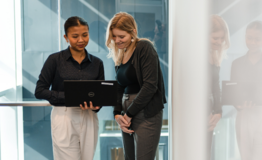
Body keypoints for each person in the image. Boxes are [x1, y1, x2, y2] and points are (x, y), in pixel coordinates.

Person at [35, 16, 105, 160]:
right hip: (64, 116)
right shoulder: (54, 60)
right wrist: (69, 97)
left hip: (89, 117)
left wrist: (96, 105)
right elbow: (39, 90)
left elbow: (99, 95)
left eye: (85, 35)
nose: (81, 40)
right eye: (75, 36)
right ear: (66, 37)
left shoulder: (97, 63)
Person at [106, 12, 167, 160]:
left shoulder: (144, 47)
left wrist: (128, 114)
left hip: (145, 111)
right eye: (114, 36)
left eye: (122, 37)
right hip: (127, 111)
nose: (117, 40)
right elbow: (119, 86)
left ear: (133, 32)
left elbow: (150, 86)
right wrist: (117, 113)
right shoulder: (121, 53)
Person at [230, 21, 262, 160]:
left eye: (257, 39)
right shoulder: (237, 63)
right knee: (245, 156)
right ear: (245, 37)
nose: (252, 42)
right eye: (249, 38)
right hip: (244, 114)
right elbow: (233, 93)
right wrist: (239, 105)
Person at [207, 15, 231, 159]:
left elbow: (215, 87)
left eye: (222, 38)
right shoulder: (196, 56)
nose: (220, 42)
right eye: (215, 38)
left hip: (209, 114)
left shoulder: (214, 55)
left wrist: (218, 112)